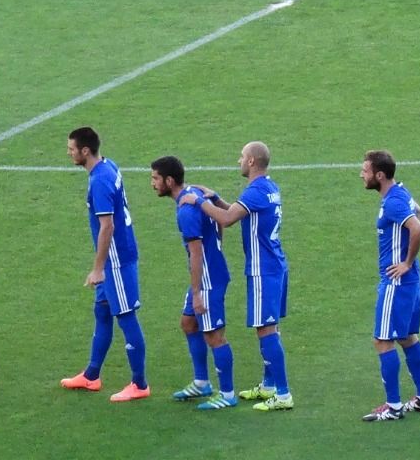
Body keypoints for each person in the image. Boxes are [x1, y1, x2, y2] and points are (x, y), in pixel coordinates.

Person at [179, 141, 293, 411]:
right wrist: (216, 198)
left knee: (266, 329)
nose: (239, 160)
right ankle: (269, 386)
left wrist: (200, 201)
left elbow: (228, 219)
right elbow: (239, 212)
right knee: (269, 327)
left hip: (263, 269)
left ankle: (283, 394)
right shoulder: (269, 187)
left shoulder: (255, 190)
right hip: (275, 264)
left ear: (252, 161)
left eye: (242, 156)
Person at [61, 127, 149, 401]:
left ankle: (140, 384)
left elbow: (107, 226)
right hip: (115, 258)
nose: (69, 153)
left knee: (126, 317)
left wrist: (98, 268)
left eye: (72, 149)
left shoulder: (100, 180)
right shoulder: (108, 166)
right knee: (102, 310)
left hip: (117, 261)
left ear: (85, 151)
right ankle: (91, 375)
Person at [151, 156, 238, 410]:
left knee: (214, 335)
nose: (152, 184)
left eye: (155, 178)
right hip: (209, 275)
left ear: (169, 181)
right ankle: (202, 383)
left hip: (208, 280)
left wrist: (198, 292)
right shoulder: (195, 192)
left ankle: (228, 394)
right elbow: (219, 223)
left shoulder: (186, 211)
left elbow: (196, 253)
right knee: (188, 323)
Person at [360, 151, 420, 422]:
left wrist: (406, 262)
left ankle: (393, 406)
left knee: (383, 340)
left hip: (396, 282)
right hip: (411, 282)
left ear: (379, 175)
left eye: (365, 171)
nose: (361, 175)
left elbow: (418, 228)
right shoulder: (400, 192)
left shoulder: (392, 202)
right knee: (407, 337)